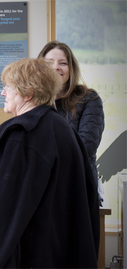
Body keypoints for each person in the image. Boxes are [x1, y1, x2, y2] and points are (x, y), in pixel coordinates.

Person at [0, 58, 100, 268]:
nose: (3, 93)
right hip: (61, 254)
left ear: (28, 92)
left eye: (7, 87)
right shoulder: (65, 130)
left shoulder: (20, 136)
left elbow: (0, 213)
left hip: (27, 257)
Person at [38, 40, 105, 192]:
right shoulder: (33, 101)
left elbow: (85, 147)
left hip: (78, 186)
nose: (56, 67)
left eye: (63, 63)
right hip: (43, 189)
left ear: (71, 69)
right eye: (49, 62)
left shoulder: (89, 99)